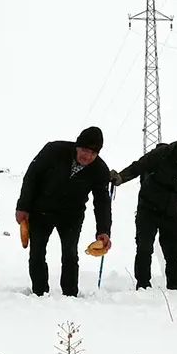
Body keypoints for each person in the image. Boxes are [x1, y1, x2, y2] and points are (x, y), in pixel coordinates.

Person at [110, 127, 177, 290]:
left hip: (172, 213)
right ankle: (143, 285)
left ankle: (175, 286)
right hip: (148, 208)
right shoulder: (163, 153)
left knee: (175, 251)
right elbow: (139, 166)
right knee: (144, 247)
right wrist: (121, 177)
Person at [15, 127, 112, 297]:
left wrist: (103, 230)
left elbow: (102, 202)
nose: (87, 156)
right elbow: (32, 176)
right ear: (77, 146)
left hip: (71, 216)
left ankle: (70, 294)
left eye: (93, 153)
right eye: (84, 150)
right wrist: (23, 207)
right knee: (37, 251)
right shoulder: (54, 151)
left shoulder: (100, 170)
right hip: (41, 210)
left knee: (70, 253)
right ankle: (39, 292)